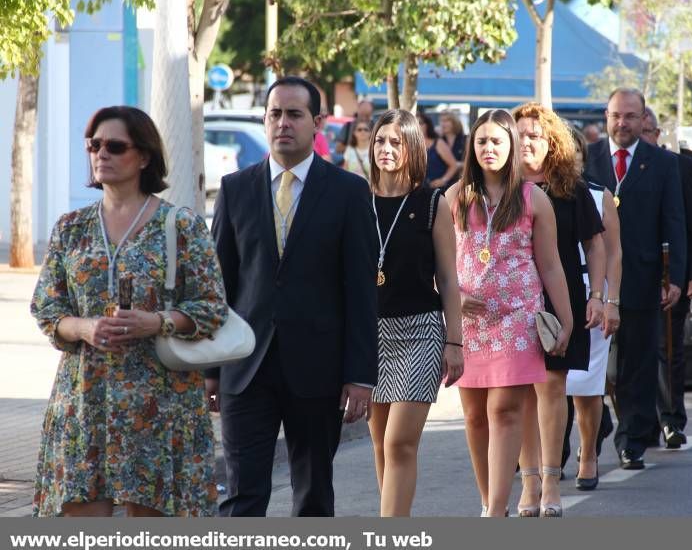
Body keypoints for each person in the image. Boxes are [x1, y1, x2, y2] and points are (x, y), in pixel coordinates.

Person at [30, 106, 228, 517]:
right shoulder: (72, 228)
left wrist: (156, 322)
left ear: (143, 157)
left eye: (115, 146)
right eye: (94, 144)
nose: (101, 153)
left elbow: (212, 307)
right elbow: (47, 307)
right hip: (86, 398)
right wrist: (84, 327)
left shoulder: (181, 225)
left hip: (159, 400)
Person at [209, 76, 378, 517]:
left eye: (295, 114)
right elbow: (217, 286)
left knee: (313, 495)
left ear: (318, 122)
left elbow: (361, 289)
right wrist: (209, 370)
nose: (283, 123)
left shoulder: (348, 192)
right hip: (245, 370)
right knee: (242, 496)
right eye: (275, 114)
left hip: (318, 371)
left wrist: (360, 374)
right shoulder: (235, 189)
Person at [445, 109, 572, 518]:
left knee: (505, 410)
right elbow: (435, 266)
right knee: (474, 416)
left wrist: (565, 318)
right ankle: (487, 500)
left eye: (497, 141)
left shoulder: (534, 199)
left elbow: (550, 265)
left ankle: (497, 509)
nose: (488, 149)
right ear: (472, 148)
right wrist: (452, 299)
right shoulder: (454, 197)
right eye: (482, 141)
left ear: (511, 147)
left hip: (518, 319)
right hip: (469, 324)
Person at [367, 109, 464, 516]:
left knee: (399, 443)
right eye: (379, 141)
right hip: (369, 334)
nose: (386, 149)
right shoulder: (356, 201)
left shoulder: (431, 203)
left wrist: (454, 341)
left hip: (420, 332)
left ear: (413, 147)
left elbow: (449, 276)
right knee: (379, 444)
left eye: (395, 141)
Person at [583, 88, 686, 470]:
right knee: (589, 367)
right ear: (606, 117)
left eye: (630, 116)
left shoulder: (662, 164)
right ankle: (595, 429)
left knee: (637, 363)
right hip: (593, 280)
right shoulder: (586, 159)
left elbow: (674, 222)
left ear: (643, 119)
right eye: (615, 116)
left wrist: (673, 276)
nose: (622, 123)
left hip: (642, 279)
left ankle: (632, 439)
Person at [512, 102, 606, 517]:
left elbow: (596, 244)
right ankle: (527, 483)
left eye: (535, 135)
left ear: (551, 142)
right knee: (520, 396)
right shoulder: (498, 187)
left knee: (551, 388)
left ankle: (551, 481)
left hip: (559, 298)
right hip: (510, 302)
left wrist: (598, 296)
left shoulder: (571, 189)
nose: (527, 141)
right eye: (521, 134)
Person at [640, 108, 692, 449]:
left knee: (668, 349)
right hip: (630, 276)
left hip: (671, 274)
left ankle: (670, 420)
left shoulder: (681, 168)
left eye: (646, 132)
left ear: (657, 134)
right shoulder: (616, 169)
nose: (641, 140)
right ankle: (639, 424)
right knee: (631, 355)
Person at [564, 127, 622, 491]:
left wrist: (609, 299)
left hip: (590, 289)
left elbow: (613, 252)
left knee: (586, 382)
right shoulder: (531, 192)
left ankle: (588, 453)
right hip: (541, 291)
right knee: (542, 383)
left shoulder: (599, 195)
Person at [418, 111, 459, 189]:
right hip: (419, 190)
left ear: (427, 125)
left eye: (420, 123)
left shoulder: (438, 142)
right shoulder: (411, 145)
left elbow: (453, 165)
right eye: (414, 123)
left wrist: (443, 180)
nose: (417, 126)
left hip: (437, 190)